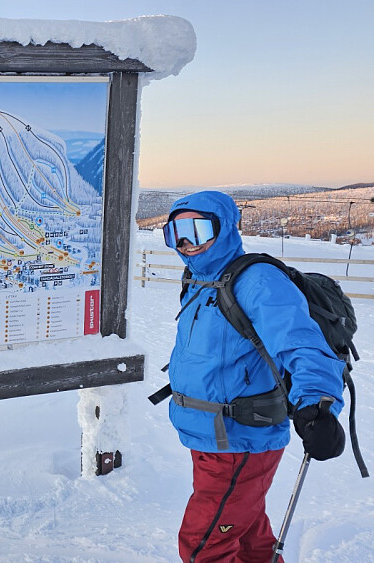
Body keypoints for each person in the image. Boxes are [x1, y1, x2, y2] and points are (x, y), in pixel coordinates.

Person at [161, 191, 346, 562]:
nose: (185, 243)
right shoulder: (200, 279)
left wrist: (317, 406)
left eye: (197, 230)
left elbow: (302, 344)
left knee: (204, 546)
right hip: (210, 435)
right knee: (248, 538)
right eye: (175, 232)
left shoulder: (258, 280)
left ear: (225, 228)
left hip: (240, 440)